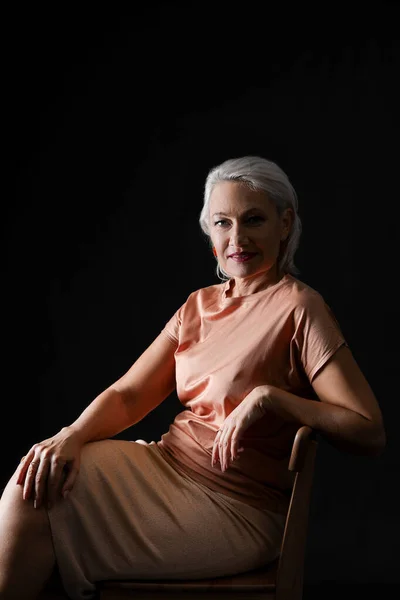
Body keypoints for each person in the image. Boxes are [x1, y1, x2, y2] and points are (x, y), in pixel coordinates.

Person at [0, 155, 386, 600]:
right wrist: (71, 434)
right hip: (166, 467)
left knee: (45, 509)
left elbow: (369, 431)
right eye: (222, 223)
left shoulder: (300, 309)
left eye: (253, 220)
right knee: (36, 480)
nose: (237, 238)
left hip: (236, 507)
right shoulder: (197, 305)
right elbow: (129, 396)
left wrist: (272, 399)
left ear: (285, 224)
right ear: (210, 235)